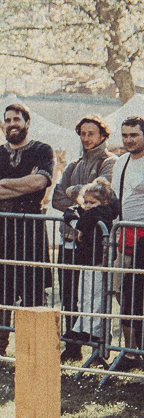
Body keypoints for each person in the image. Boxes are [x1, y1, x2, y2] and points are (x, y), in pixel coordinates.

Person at [0, 104, 54, 356]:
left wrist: (6, 182)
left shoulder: (42, 150)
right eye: (8, 120)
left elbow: (41, 181)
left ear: (27, 122)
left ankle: (33, 347)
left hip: (30, 228)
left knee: (32, 288)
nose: (12, 123)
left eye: (17, 119)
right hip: (1, 229)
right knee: (1, 289)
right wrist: (25, 185)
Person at [53, 116, 117, 361]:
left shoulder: (109, 162)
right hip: (69, 238)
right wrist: (82, 195)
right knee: (70, 294)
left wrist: (75, 193)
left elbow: (103, 194)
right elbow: (58, 199)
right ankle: (72, 345)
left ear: (103, 135)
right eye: (83, 133)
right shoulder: (74, 164)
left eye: (92, 133)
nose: (87, 138)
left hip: (94, 241)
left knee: (96, 296)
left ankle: (99, 349)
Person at [60, 179, 118, 355]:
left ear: (104, 202)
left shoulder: (102, 213)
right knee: (84, 297)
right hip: (87, 262)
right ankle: (82, 328)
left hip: (98, 263)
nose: (87, 206)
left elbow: (82, 222)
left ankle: (95, 331)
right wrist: (75, 214)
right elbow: (73, 213)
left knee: (96, 298)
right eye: (85, 202)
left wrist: (74, 221)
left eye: (92, 202)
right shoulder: (91, 212)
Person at [110, 115, 144, 366]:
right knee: (122, 292)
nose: (129, 140)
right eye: (125, 135)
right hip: (124, 237)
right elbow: (114, 198)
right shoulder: (120, 162)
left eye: (134, 135)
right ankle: (131, 352)